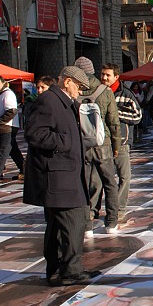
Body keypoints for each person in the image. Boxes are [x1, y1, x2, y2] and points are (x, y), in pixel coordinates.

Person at [23, 66, 101, 287]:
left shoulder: (66, 102)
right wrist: (65, 143)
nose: (81, 91)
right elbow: (34, 133)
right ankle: (71, 270)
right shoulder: (49, 100)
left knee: (58, 226)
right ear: (67, 81)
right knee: (73, 222)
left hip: (66, 173)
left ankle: (57, 271)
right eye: (79, 86)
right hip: (57, 176)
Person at [74, 56, 121, 236]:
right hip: (103, 142)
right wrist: (116, 144)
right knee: (110, 183)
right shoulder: (105, 90)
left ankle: (87, 225)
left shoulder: (75, 90)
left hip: (82, 143)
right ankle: (111, 222)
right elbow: (113, 121)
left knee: (83, 184)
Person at [100, 63, 142, 223]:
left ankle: (119, 209)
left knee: (124, 177)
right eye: (102, 74)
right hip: (101, 142)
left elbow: (137, 116)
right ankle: (93, 210)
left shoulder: (126, 94)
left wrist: (115, 113)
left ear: (116, 77)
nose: (104, 78)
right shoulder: (98, 93)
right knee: (99, 179)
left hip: (122, 142)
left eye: (107, 75)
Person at [0, 75, 24, 184]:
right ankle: (24, 170)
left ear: (3, 83)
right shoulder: (0, 94)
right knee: (12, 150)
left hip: (7, 127)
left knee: (1, 152)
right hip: (0, 127)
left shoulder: (8, 94)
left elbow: (11, 111)